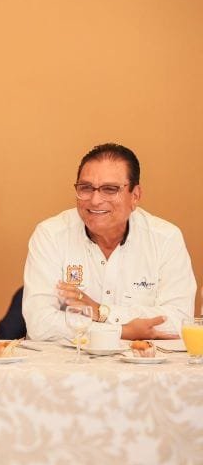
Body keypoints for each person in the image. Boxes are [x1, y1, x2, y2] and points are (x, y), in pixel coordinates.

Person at [23, 143, 196, 341]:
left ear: (135, 196)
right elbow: (40, 324)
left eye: (110, 189)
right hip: (68, 359)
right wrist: (123, 331)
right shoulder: (51, 235)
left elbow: (179, 321)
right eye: (86, 188)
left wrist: (102, 312)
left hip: (142, 360)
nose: (95, 200)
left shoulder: (165, 239)